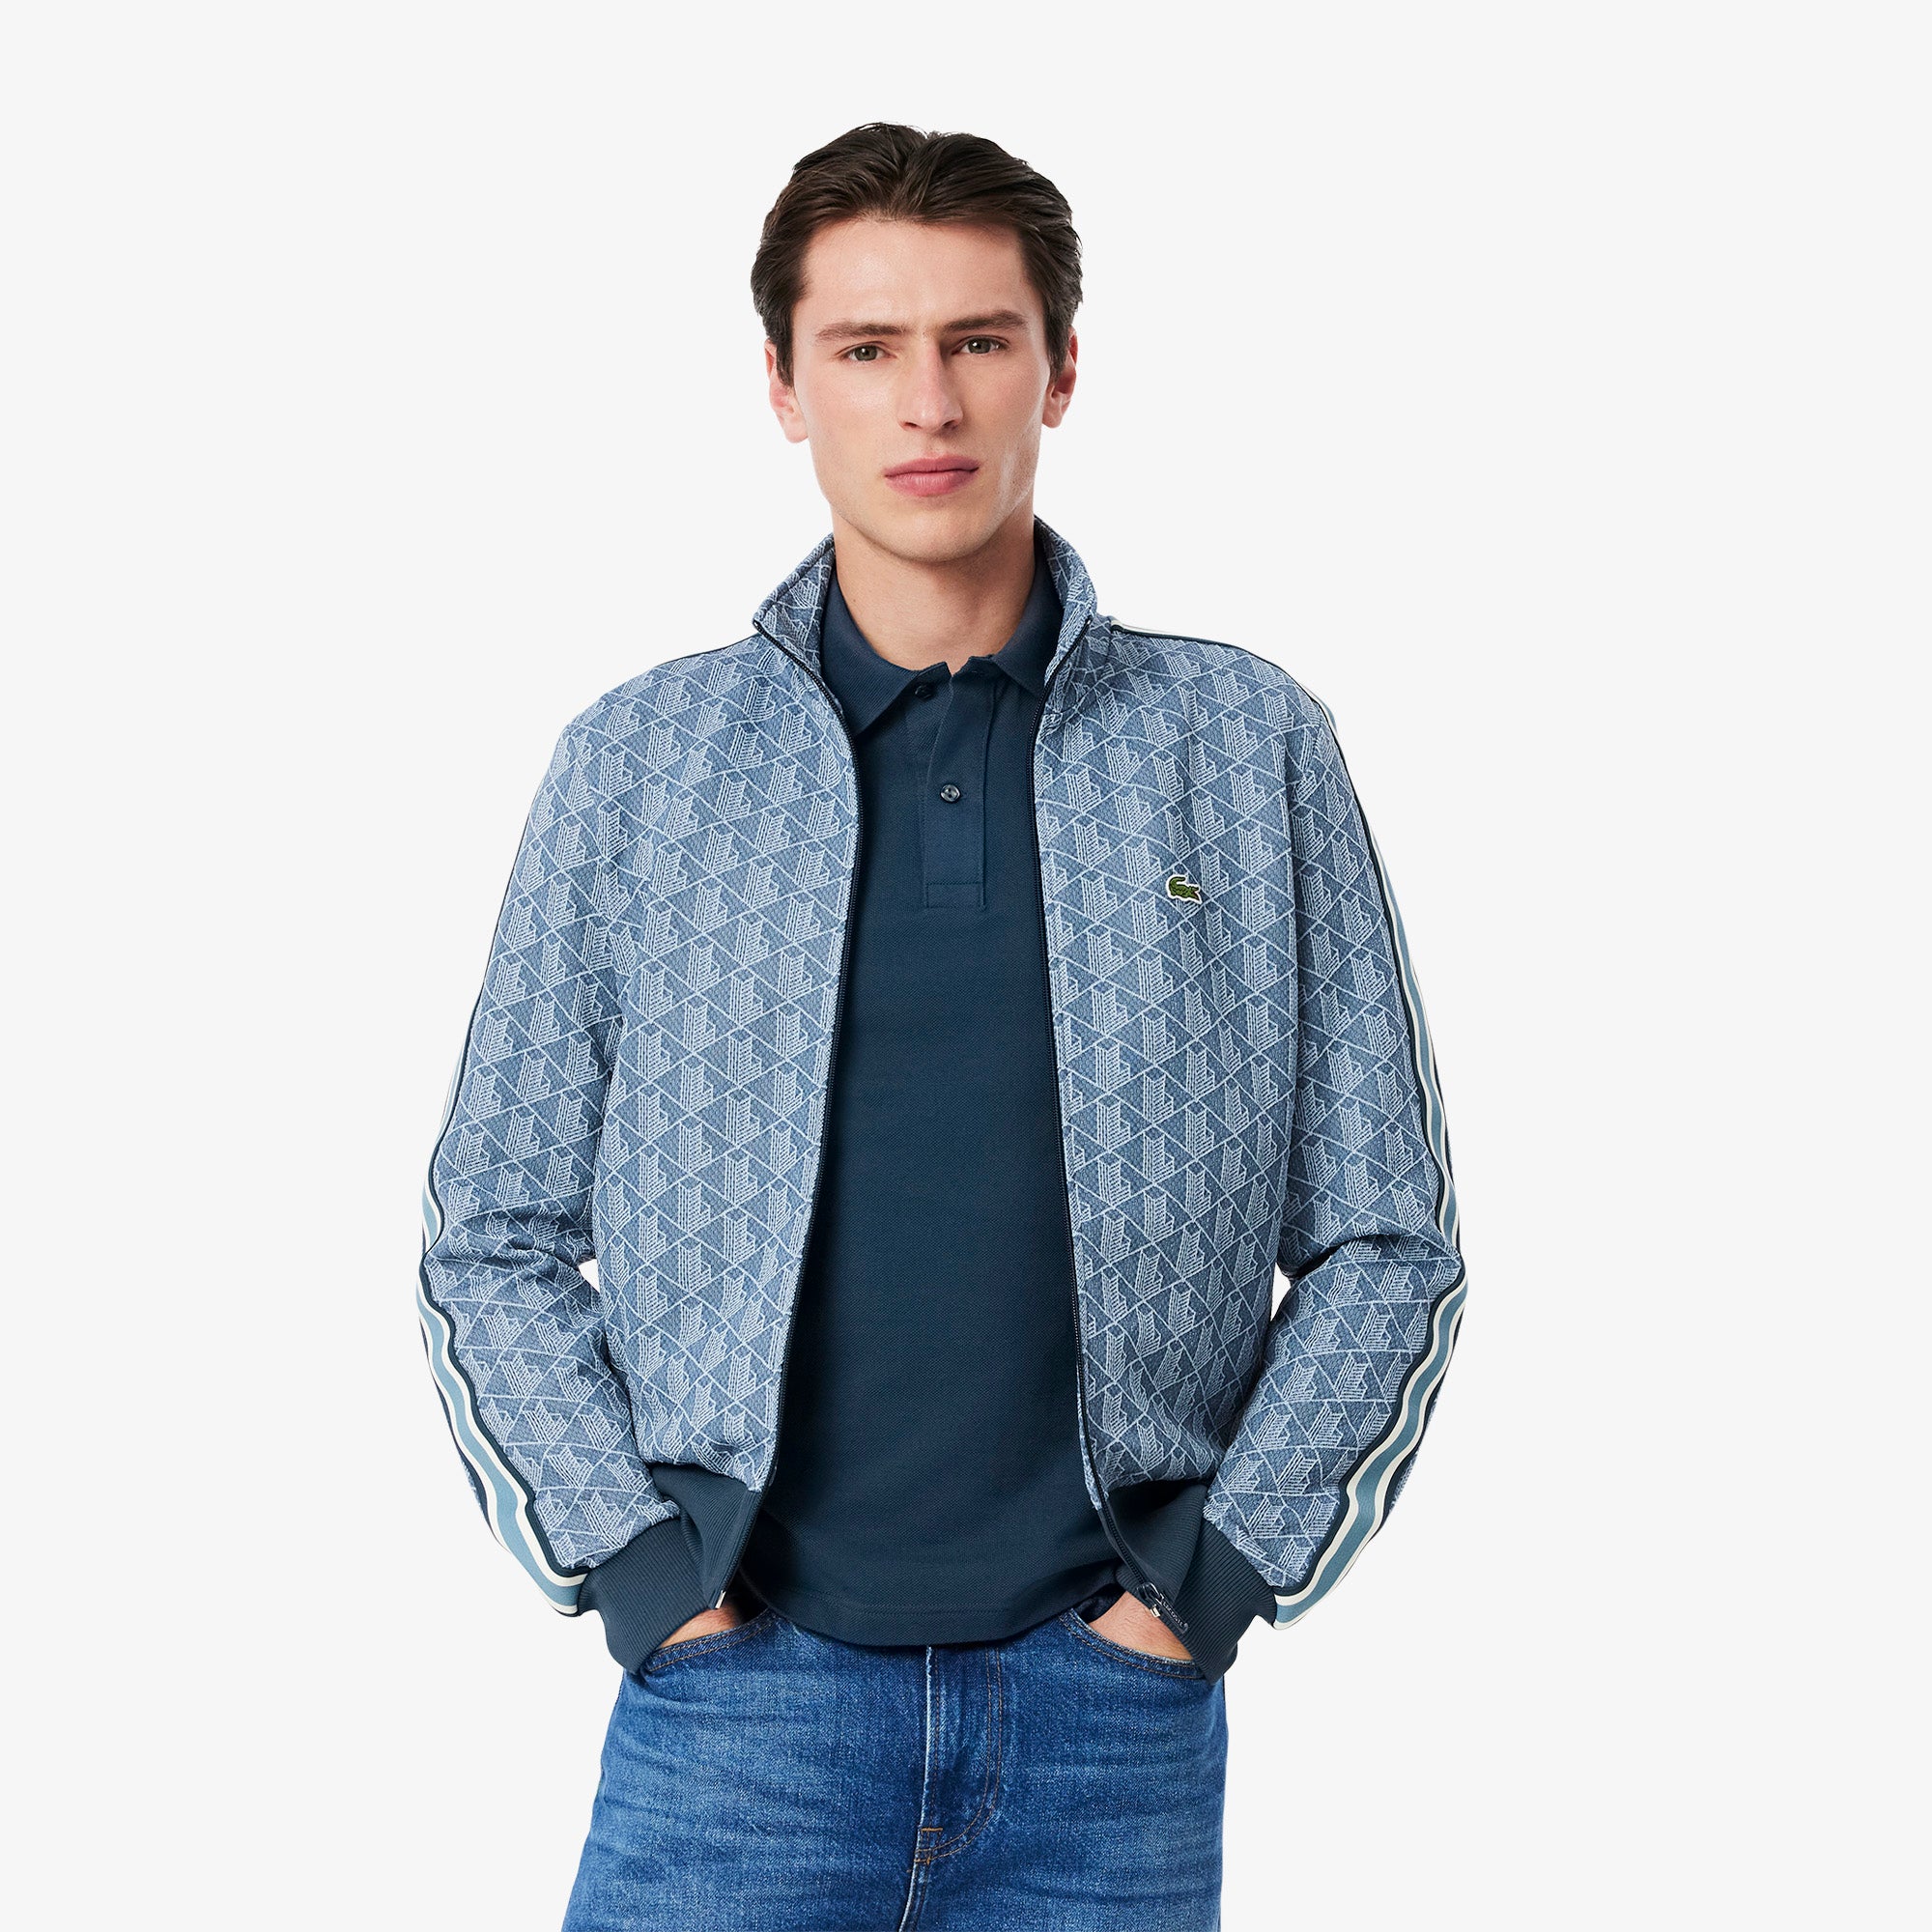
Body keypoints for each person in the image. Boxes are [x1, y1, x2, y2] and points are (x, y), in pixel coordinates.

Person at [416, 121, 1467, 1932]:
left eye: (980, 340)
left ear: (1061, 367)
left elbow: (1390, 1235)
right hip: (737, 1716)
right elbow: (488, 1233)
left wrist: (1212, 1582)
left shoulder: (1246, 748)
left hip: (1110, 1725)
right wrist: (641, 1566)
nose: (929, 402)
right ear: (783, 384)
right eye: (867, 348)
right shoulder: (642, 766)